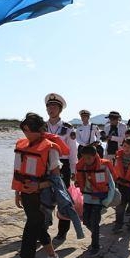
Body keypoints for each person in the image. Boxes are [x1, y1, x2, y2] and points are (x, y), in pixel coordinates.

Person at [6, 113, 63, 258]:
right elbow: (17, 171)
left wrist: (38, 185)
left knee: (29, 234)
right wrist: (18, 192)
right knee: (38, 229)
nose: (25, 134)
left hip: (42, 199)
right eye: (24, 130)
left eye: (28, 131)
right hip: (27, 196)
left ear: (40, 131)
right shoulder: (21, 145)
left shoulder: (50, 150)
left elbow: (56, 179)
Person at [44, 93, 79, 242]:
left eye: (54, 106)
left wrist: (73, 171)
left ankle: (62, 232)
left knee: (64, 200)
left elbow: (72, 151)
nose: (50, 109)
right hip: (44, 165)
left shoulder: (68, 128)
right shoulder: (41, 127)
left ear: (60, 109)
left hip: (62, 166)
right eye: (48, 106)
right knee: (44, 198)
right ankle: (43, 228)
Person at [75, 145, 116, 255]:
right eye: (84, 158)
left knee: (94, 222)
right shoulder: (81, 167)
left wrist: (106, 202)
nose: (86, 160)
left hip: (99, 200)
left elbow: (112, 186)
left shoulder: (103, 167)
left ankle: (95, 246)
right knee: (86, 221)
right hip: (87, 199)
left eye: (89, 158)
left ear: (95, 156)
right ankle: (96, 234)